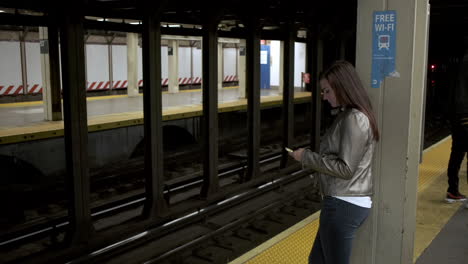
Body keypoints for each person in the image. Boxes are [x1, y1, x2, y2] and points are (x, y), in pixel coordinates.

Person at [289, 61, 379, 264]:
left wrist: (306, 157)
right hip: (343, 202)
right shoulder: (351, 115)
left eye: (327, 91)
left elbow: (346, 169)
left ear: (342, 87)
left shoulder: (353, 118)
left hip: (343, 204)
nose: (325, 96)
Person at [445, 43, 468, 204]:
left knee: (457, 152)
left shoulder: (463, 59)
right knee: (459, 153)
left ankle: (452, 191)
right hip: (466, 111)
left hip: (458, 111)